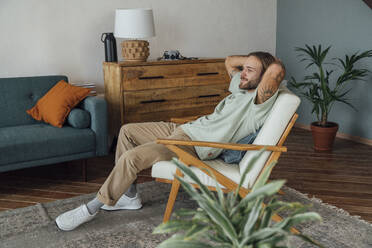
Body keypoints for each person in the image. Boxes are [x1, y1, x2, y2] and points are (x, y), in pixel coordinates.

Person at [55, 51, 285, 231]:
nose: (242, 73)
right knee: (126, 131)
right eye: (243, 69)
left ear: (264, 78)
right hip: (184, 128)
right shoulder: (242, 87)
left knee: (131, 158)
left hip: (191, 146)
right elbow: (228, 61)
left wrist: (265, 64)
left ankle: (91, 208)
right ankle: (130, 196)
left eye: (249, 70)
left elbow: (276, 69)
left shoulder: (258, 103)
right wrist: (252, 63)